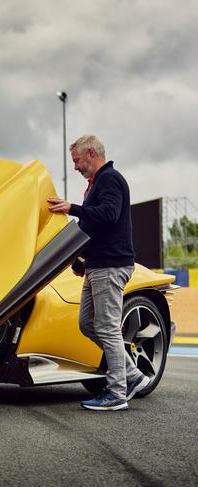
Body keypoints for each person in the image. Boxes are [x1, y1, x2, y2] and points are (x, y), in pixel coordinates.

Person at [47, 134, 149, 411]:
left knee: (105, 327)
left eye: (77, 161)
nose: (76, 167)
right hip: (97, 265)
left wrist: (73, 208)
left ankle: (117, 393)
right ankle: (133, 376)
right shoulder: (96, 183)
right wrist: (81, 260)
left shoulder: (109, 179)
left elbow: (109, 214)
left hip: (111, 267)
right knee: (88, 324)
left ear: (91, 153)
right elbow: (96, 228)